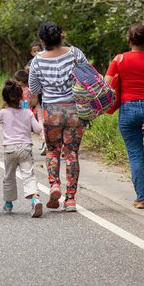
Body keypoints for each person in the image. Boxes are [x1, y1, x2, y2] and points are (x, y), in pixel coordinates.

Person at [28, 21, 88, 212]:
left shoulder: (37, 60)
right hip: (74, 110)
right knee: (71, 153)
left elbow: (34, 90)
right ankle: (70, 199)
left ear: (42, 40)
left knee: (53, 150)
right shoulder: (74, 53)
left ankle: (54, 185)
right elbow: (88, 76)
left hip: (51, 111)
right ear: (61, 35)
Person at [104, 24, 144, 209]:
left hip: (128, 109)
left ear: (128, 40)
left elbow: (106, 85)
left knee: (135, 154)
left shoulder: (119, 59)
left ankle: (141, 197)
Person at [0, 80, 44, 217]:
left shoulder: (4, 113)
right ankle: (35, 199)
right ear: (22, 97)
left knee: (9, 176)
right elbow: (38, 129)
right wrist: (39, 119)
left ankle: (8, 204)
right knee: (28, 175)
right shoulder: (28, 113)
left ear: (4, 98)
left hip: (9, 149)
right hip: (26, 149)